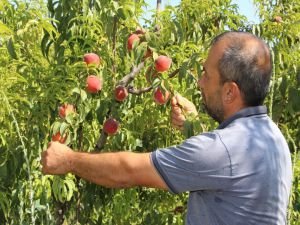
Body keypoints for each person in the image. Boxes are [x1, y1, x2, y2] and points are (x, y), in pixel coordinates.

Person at [41, 31, 292, 225]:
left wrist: (69, 160)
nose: (199, 82)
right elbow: (227, 167)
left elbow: (128, 172)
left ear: (230, 91)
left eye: (206, 74)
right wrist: (196, 126)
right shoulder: (272, 137)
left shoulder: (221, 149)